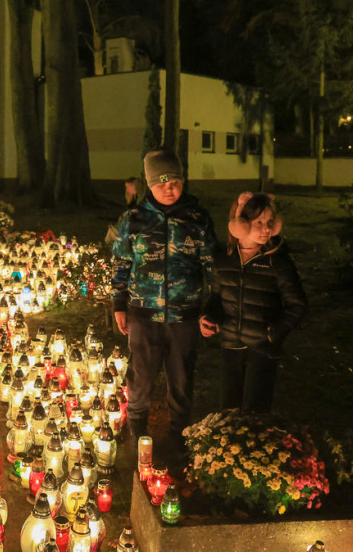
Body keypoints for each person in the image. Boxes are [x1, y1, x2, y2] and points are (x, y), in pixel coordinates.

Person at [111, 149, 218, 451]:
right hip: (143, 313)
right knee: (141, 375)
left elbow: (212, 266)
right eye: (161, 183)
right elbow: (121, 263)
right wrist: (118, 303)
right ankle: (137, 427)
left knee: (182, 376)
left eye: (175, 182)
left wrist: (211, 307)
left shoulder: (197, 218)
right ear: (149, 184)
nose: (169, 189)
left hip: (185, 314)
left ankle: (179, 433)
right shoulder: (134, 219)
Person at [200, 192, 307, 413]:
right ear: (240, 224)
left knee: (254, 414)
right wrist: (207, 317)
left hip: (261, 349)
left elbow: (297, 305)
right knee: (228, 412)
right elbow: (216, 297)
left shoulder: (278, 261)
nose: (266, 229)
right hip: (230, 346)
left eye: (270, 222)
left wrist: (274, 333)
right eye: (259, 222)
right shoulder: (223, 259)